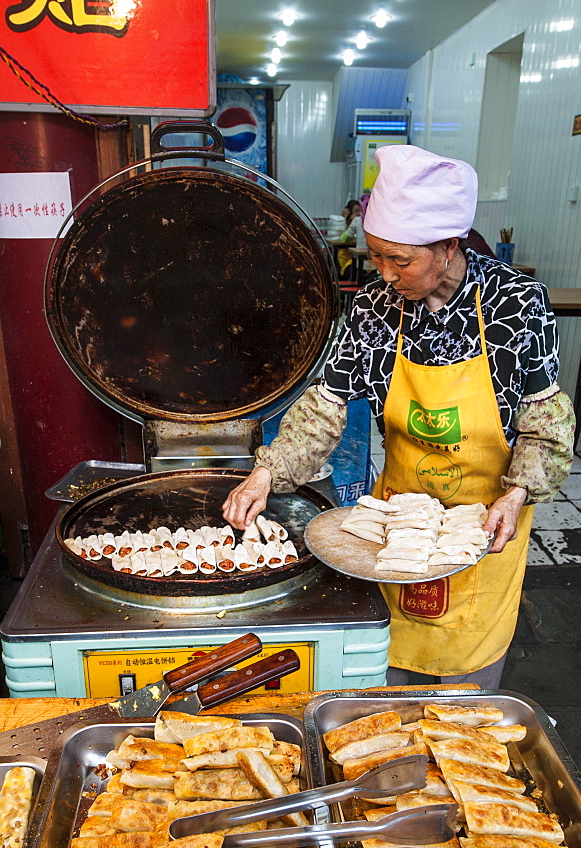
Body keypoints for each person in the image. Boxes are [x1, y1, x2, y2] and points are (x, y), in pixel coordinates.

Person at [223, 144, 575, 687]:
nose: (384, 274)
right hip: (398, 522)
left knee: (466, 709)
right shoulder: (375, 308)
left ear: (448, 246)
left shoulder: (517, 303)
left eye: (400, 260)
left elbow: (544, 424)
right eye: (376, 256)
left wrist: (519, 492)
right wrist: (270, 470)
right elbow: (327, 401)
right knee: (385, 687)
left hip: (488, 523)